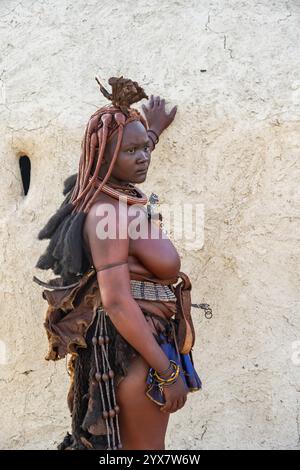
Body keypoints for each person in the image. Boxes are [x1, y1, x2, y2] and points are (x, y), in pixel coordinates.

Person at [33, 75, 203, 450]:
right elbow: (115, 300)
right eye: (131, 151)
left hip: (148, 341)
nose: (143, 157)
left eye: (145, 148)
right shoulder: (107, 214)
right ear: (106, 157)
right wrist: (166, 370)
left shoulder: (117, 195)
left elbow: (130, 150)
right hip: (136, 358)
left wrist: (151, 131)